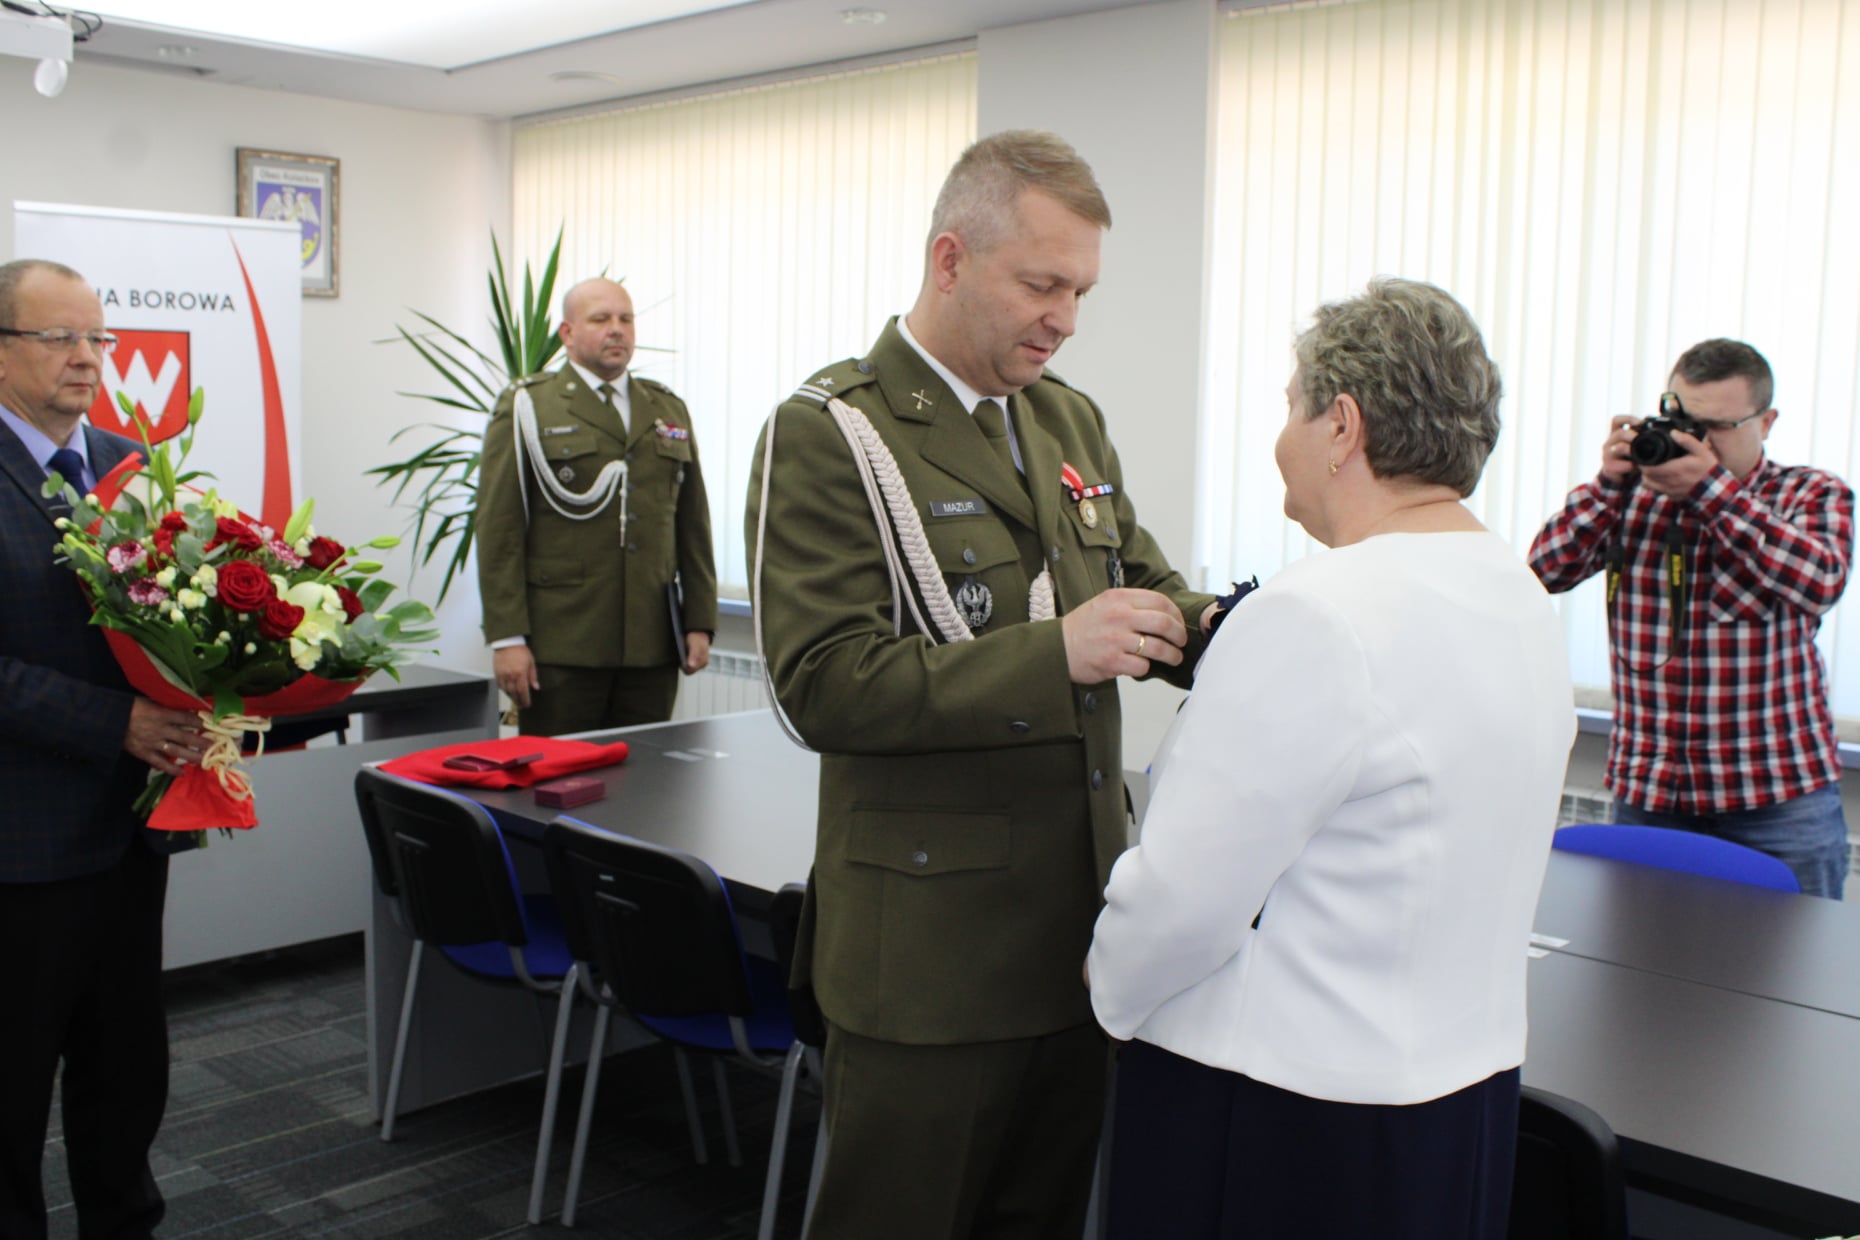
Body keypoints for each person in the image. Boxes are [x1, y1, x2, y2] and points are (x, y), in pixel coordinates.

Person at [747, 130, 1217, 1238]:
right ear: (951, 260)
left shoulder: (1066, 417)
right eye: (1042, 284)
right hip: (930, 963)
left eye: (1081, 291)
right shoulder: (833, 433)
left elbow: (1139, 586)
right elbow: (821, 684)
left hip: (1075, 936)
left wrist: (1264, 632)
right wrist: (1053, 653)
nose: (1064, 318)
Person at [1086, 278, 1575, 1239]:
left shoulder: (1319, 612)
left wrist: (1108, 994)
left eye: (1289, 406)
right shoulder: (1515, 592)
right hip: (1456, 1098)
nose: (1282, 437)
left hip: (1281, 1112)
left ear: (1342, 425)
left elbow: (1184, 897)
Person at [0, 258, 211, 1239]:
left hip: (133, 833)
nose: (88, 359)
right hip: (23, 846)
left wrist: (215, 685)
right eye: (60, 339)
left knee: (126, 1075)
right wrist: (115, 722)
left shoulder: (136, 463)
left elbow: (180, 618)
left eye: (99, 338)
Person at [1529, 339, 1853, 898]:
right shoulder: (1630, 496)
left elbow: (1819, 580)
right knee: (1642, 973)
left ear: (1766, 421)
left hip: (1779, 798)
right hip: (1653, 795)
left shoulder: (1808, 492)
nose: (1695, 440)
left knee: (1795, 979)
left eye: (1716, 426)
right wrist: (1608, 485)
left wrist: (1713, 494)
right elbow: (1540, 574)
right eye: (1682, 420)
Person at [477, 277, 717, 735]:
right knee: (554, 786)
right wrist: (508, 638)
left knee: (647, 784)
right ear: (567, 333)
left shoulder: (666, 408)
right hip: (563, 643)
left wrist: (699, 621)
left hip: (651, 642)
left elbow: (692, 524)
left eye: (625, 319)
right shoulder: (530, 405)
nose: (617, 330)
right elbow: (499, 527)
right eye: (601, 319)